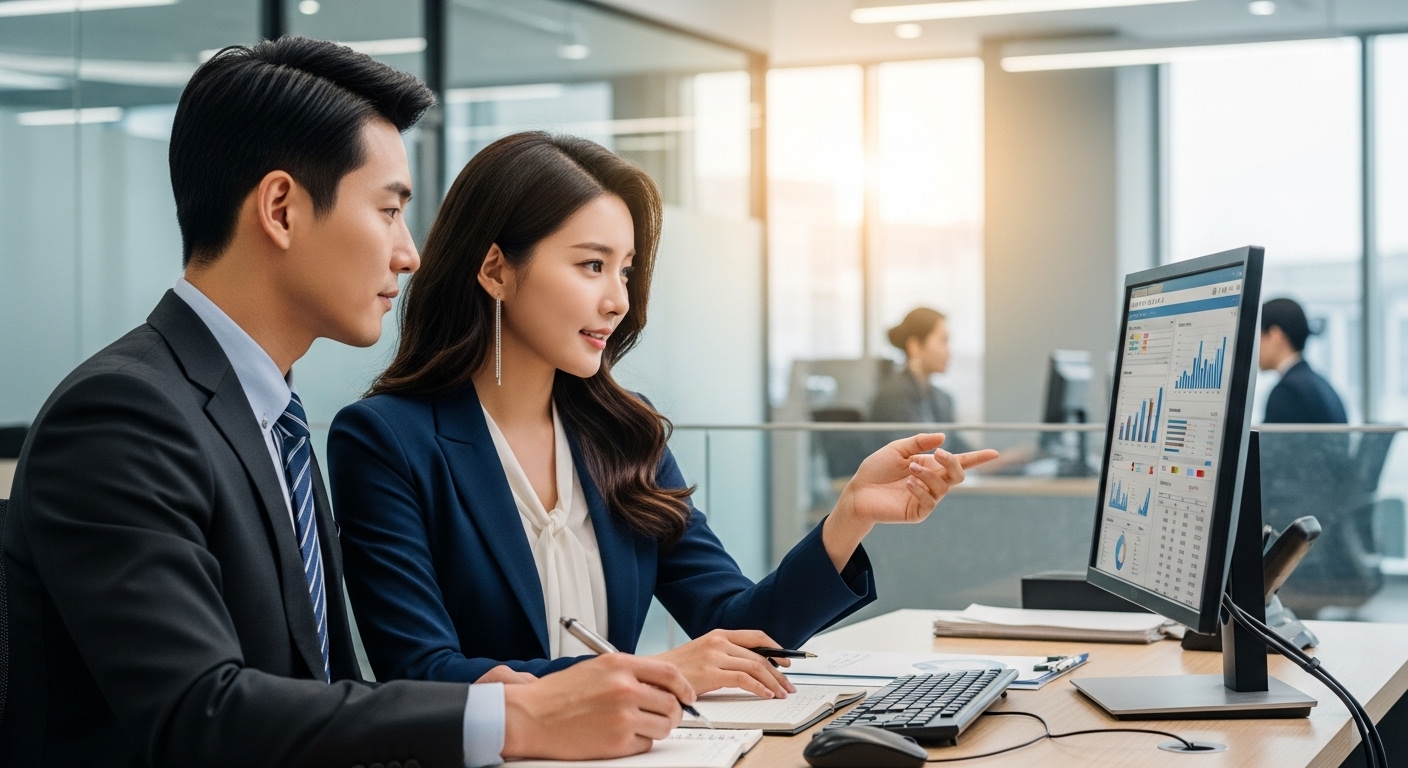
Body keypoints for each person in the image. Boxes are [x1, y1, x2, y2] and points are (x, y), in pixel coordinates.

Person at [0, 39, 695, 768]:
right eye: (389, 210)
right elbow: (200, 714)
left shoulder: (271, 421)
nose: (410, 253)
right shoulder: (124, 415)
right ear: (281, 209)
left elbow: (315, 691)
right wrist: (512, 716)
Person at [326, 132, 1000, 699]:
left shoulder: (624, 431)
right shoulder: (387, 440)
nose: (618, 300)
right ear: (497, 270)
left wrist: (849, 516)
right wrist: (649, 674)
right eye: (592, 265)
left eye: (625, 270)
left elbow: (737, 625)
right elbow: (422, 676)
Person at [871, 308, 972, 454]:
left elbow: (963, 452)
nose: (949, 351)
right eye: (943, 341)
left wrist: (1010, 458)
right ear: (915, 346)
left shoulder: (942, 399)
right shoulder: (893, 396)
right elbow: (912, 458)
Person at [1259, 298, 1347, 424]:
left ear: (1275, 335)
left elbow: (1271, 443)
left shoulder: (1287, 392)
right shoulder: (1321, 384)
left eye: (1258, 337)